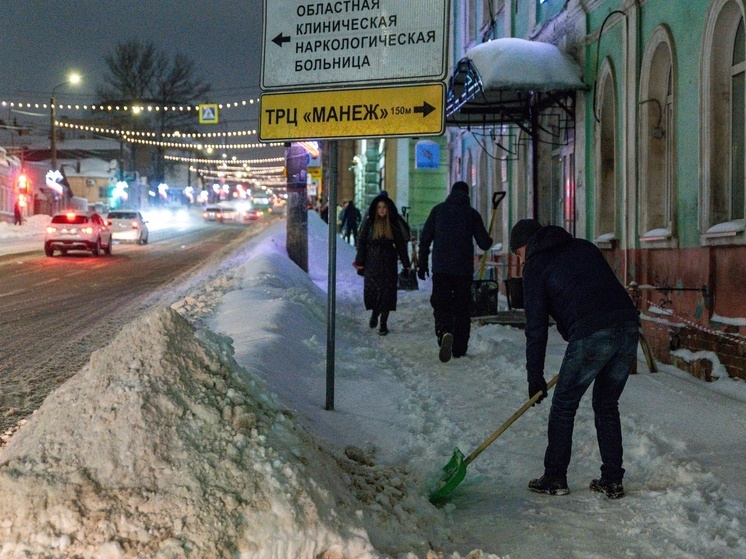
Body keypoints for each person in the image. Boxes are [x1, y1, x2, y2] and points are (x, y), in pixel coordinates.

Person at [509, 218, 640, 499]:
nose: (520, 262)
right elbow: (594, 291)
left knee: (564, 406)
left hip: (593, 332)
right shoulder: (583, 247)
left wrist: (535, 376)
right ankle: (612, 479)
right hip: (628, 328)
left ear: (525, 246)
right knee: (606, 404)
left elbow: (536, 328)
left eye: (518, 255)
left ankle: (555, 477)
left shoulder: (536, 265)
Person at [417, 181, 493, 362]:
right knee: (462, 307)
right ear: (467, 195)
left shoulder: (438, 211)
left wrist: (421, 264)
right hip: (463, 270)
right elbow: (483, 243)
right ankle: (459, 347)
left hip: (441, 268)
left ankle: (444, 331)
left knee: (441, 303)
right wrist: (488, 240)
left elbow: (425, 239)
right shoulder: (472, 215)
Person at [354, 195, 411, 336]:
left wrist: (406, 264)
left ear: (388, 209)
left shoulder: (393, 223)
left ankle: (383, 324)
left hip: (389, 262)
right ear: (375, 208)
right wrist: (360, 262)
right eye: (379, 207)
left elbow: (400, 245)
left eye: (384, 207)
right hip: (372, 262)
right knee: (374, 292)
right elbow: (361, 242)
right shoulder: (370, 223)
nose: (381, 210)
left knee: (388, 294)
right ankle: (375, 313)